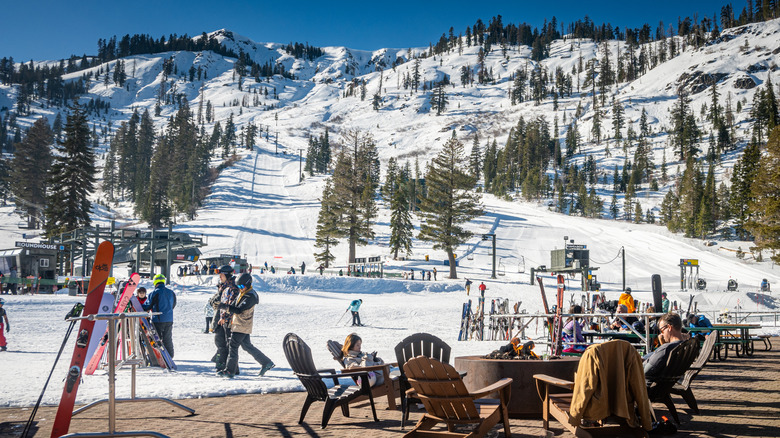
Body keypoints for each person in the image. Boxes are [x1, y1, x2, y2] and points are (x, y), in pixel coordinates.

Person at [218, 273, 275, 378]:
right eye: (238, 286)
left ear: (248, 284)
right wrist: (224, 307)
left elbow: (238, 310)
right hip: (239, 324)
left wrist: (225, 307)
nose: (240, 288)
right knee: (247, 346)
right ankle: (266, 363)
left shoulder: (250, 296)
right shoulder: (243, 293)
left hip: (242, 324)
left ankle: (230, 371)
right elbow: (234, 305)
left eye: (242, 286)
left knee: (233, 346)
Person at [643, 313, 689, 387]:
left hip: (648, 383)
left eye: (661, 330)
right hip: (669, 381)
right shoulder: (684, 346)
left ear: (669, 327)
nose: (662, 334)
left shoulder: (667, 348)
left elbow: (646, 371)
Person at [142, 274, 177, 358]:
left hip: (158, 320)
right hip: (169, 319)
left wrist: (140, 306)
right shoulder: (171, 292)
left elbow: (147, 306)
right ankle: (170, 356)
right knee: (167, 338)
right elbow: (173, 304)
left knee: (157, 339)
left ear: (155, 282)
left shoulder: (154, 293)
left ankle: (159, 356)